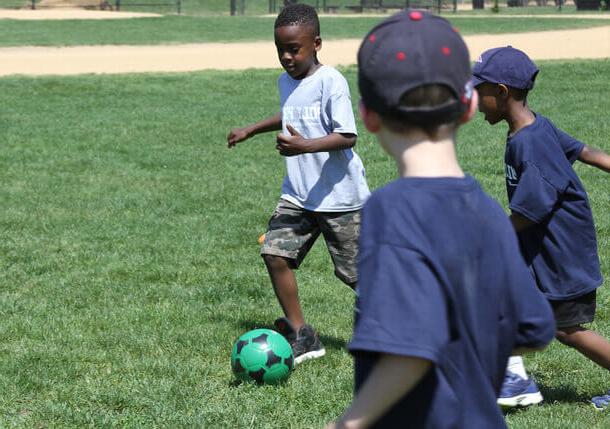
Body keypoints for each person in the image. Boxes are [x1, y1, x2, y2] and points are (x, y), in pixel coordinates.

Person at [326, 11, 555, 428]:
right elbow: (534, 326)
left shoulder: (391, 209)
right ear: (468, 105)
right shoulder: (488, 211)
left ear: (368, 114)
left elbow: (410, 349)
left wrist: (349, 422)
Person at [226, 4, 370, 364]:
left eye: (295, 49)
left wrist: (305, 145)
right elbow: (290, 111)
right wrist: (251, 129)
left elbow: (347, 136)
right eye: (281, 50)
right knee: (275, 253)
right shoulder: (285, 81)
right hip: (299, 195)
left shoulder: (331, 81)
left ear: (316, 44)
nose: (287, 57)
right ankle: (301, 333)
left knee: (358, 276)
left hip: (341, 198)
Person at [472, 46, 610, 409]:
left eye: (479, 90)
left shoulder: (530, 143)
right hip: (542, 249)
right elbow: (585, 152)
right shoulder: (536, 125)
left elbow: (531, 212)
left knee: (569, 331)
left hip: (561, 255)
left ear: (501, 92)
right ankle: (507, 372)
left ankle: (512, 380)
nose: (474, 98)